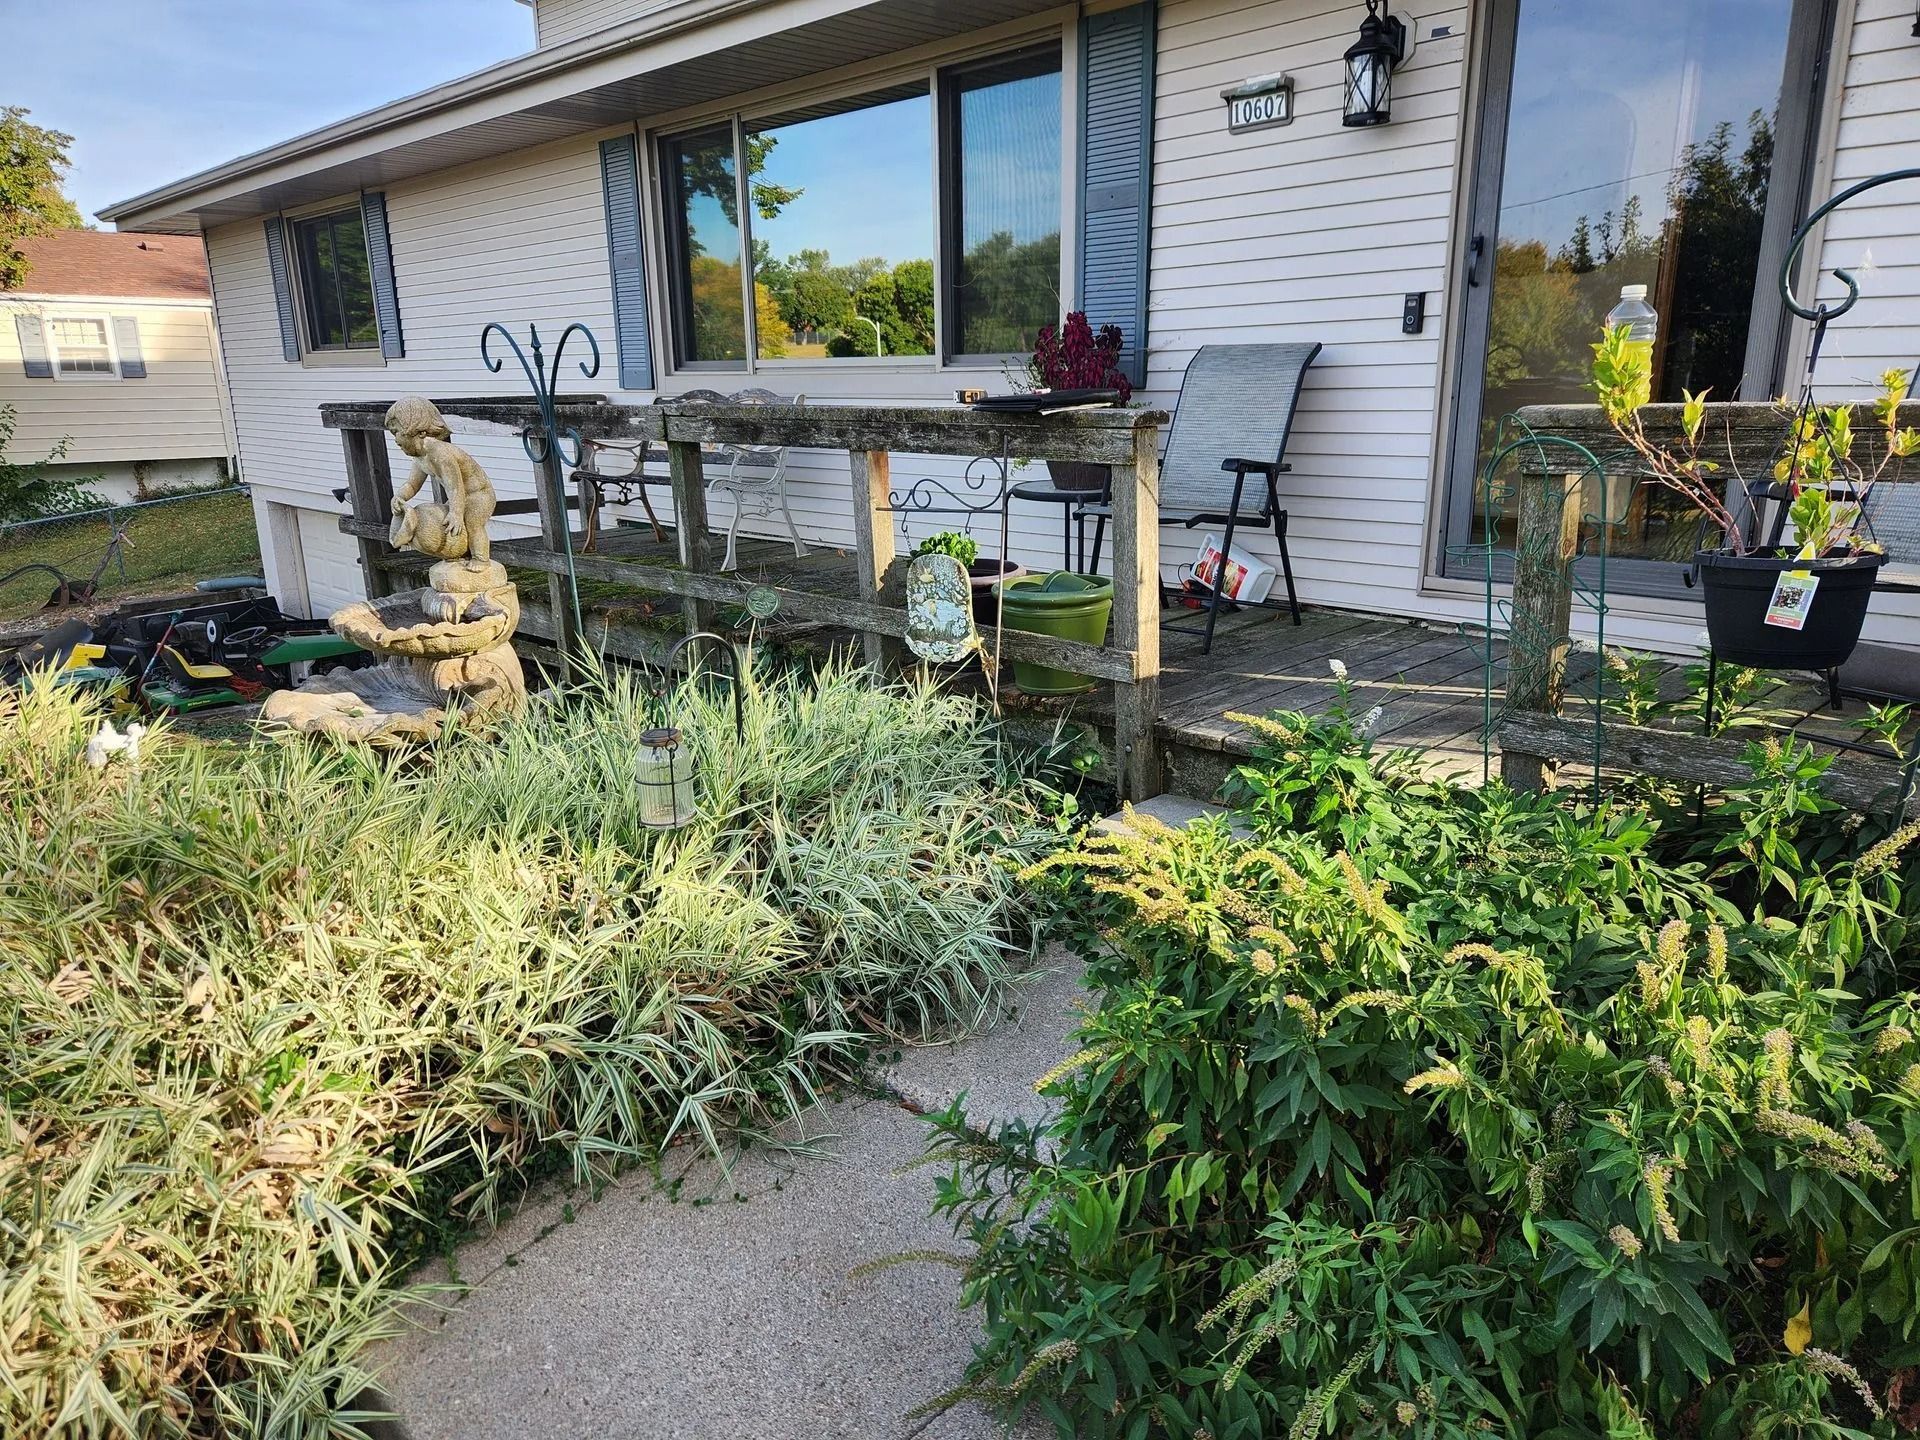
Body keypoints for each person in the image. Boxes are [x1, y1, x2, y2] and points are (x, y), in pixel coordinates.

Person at [384, 396, 497, 564]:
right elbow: (412, 484)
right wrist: (400, 496)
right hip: (459, 497)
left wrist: (456, 513)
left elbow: (455, 487)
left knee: (473, 524)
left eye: (397, 432)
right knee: (449, 526)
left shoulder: (440, 454)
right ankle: (459, 555)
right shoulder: (420, 457)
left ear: (420, 432)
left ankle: (481, 559)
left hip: (478, 495)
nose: (395, 440)